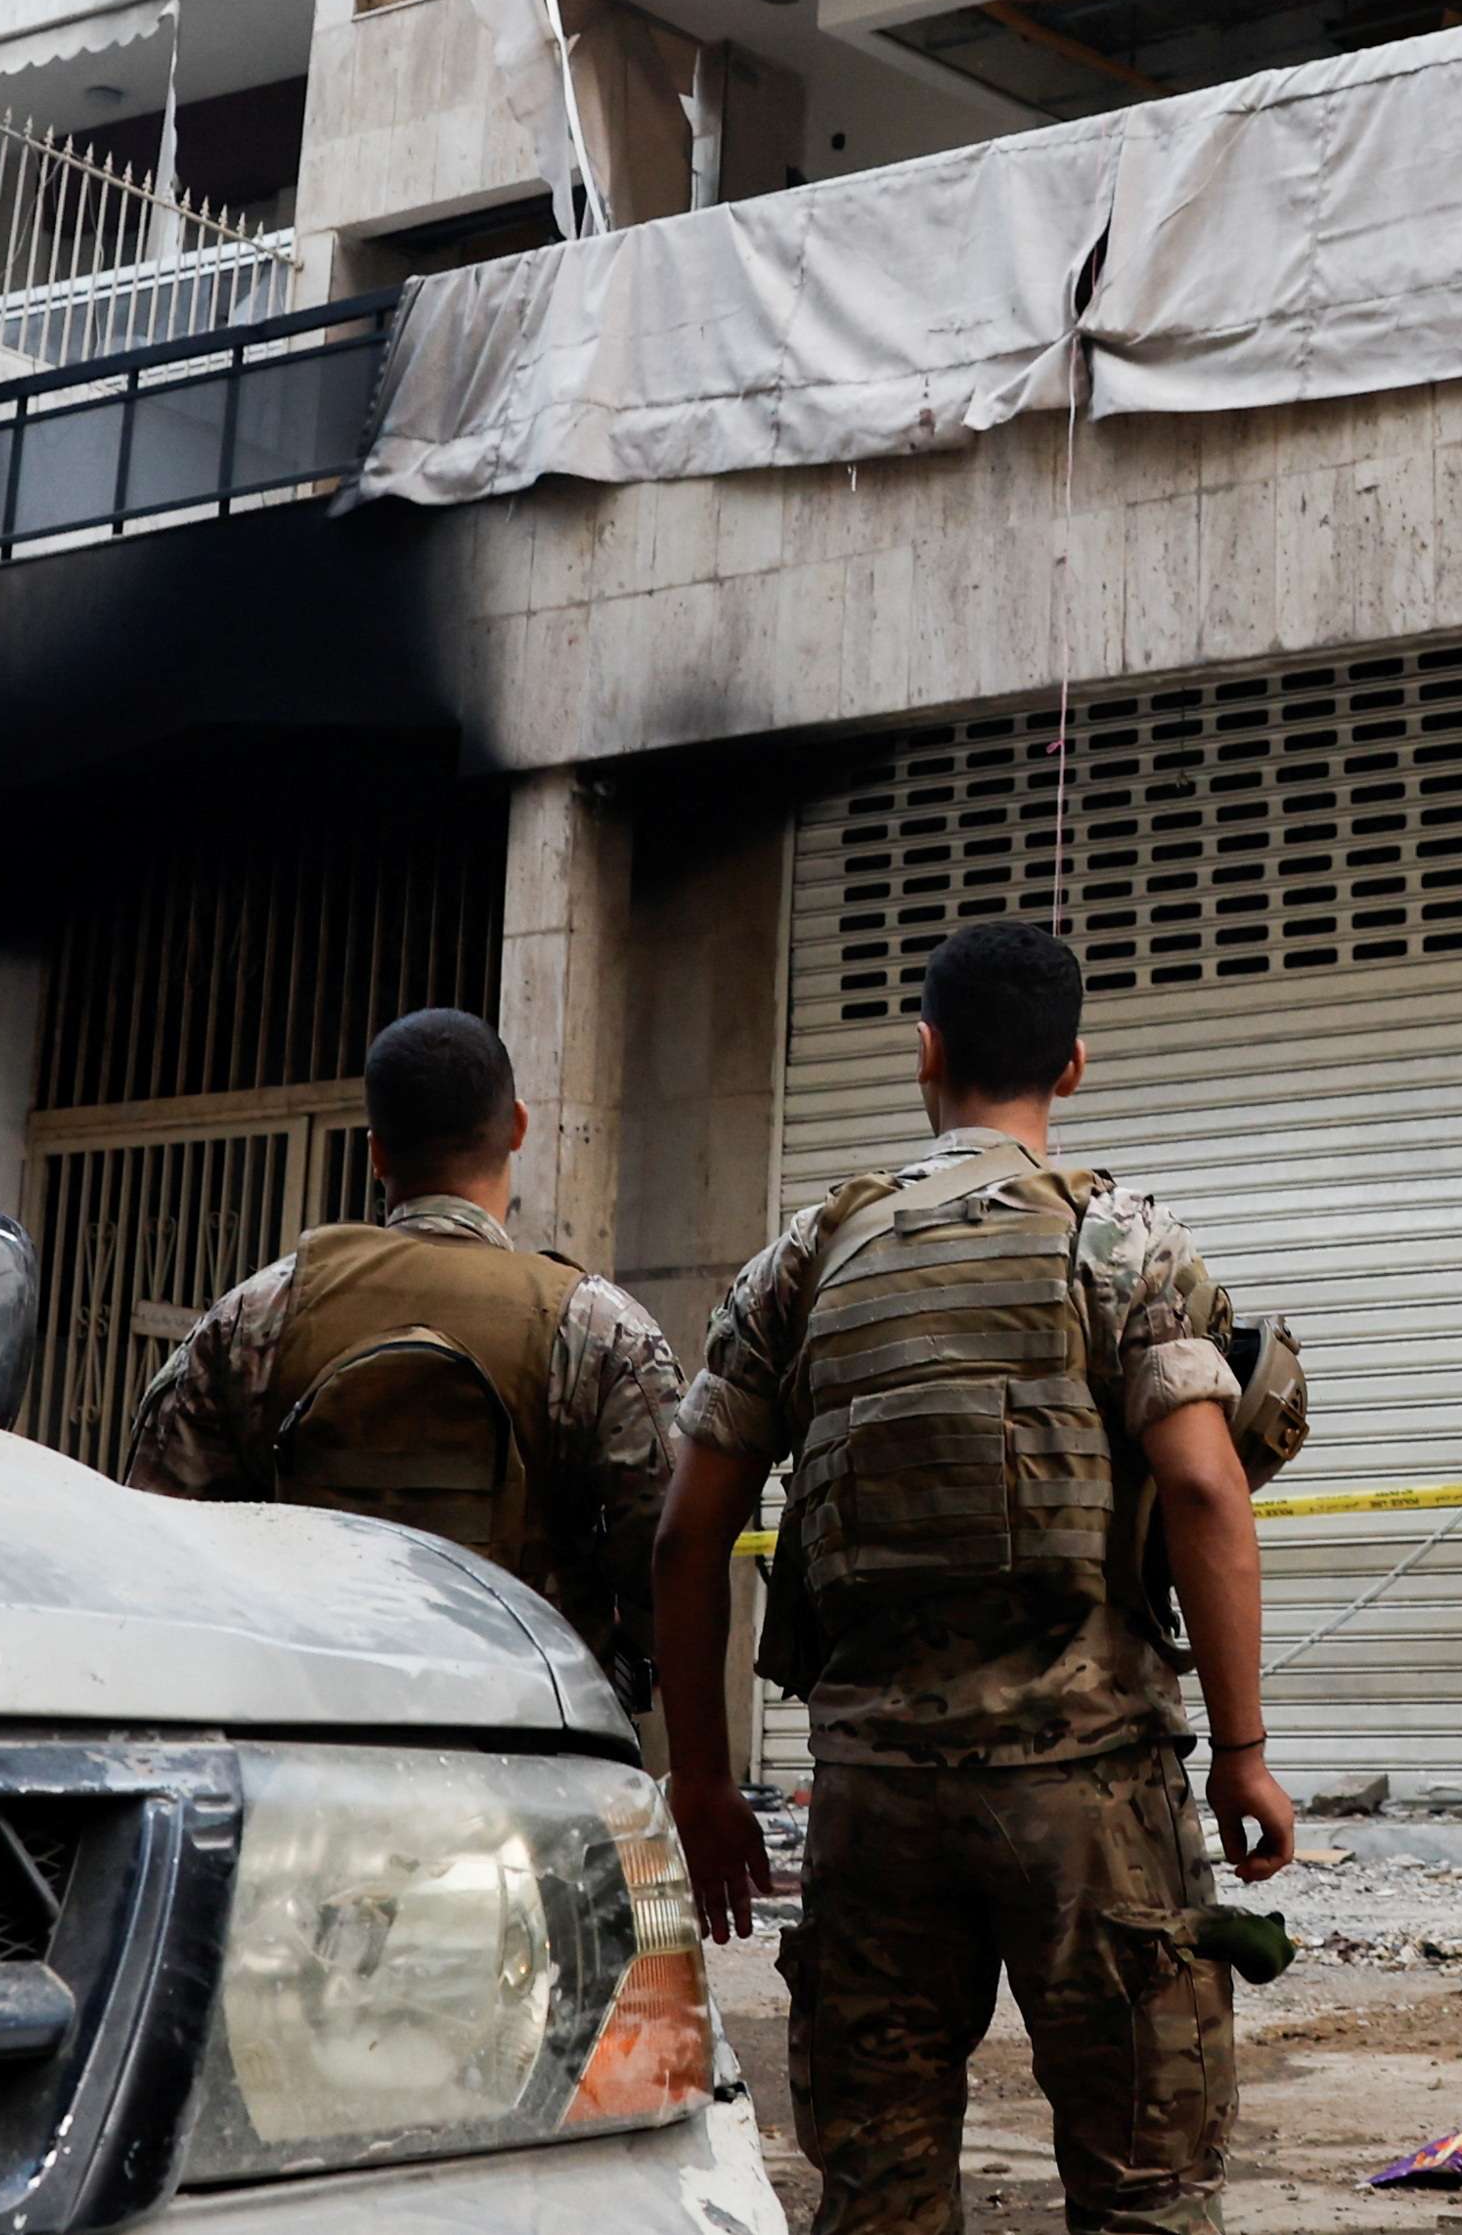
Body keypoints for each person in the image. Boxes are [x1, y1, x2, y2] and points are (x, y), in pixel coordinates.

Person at [656, 920, 1306, 2235]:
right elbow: (1199, 1483)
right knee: (1147, 2184)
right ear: (1070, 1064)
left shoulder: (807, 1254)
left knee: (880, 2187)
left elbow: (684, 1533)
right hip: (1090, 1788)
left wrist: (705, 1778)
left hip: (875, 1799)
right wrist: (1243, 1749)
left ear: (926, 1053)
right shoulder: (1120, 1240)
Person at [130, 1005, 684, 1692]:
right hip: (533, 1741)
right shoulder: (593, 1326)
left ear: (376, 1152)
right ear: (517, 1126)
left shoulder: (255, 1316)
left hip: (310, 1736)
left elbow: (156, 1547)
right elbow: (671, 1550)